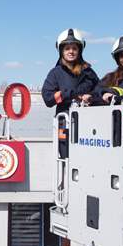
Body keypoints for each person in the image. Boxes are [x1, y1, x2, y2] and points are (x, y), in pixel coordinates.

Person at [42, 28, 99, 158]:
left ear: (79, 50)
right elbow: (48, 98)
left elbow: (100, 91)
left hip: (89, 126)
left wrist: (91, 97)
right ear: (61, 51)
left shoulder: (89, 72)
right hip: (65, 125)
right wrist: (69, 94)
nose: (71, 51)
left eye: (74, 48)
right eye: (67, 48)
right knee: (66, 159)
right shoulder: (55, 73)